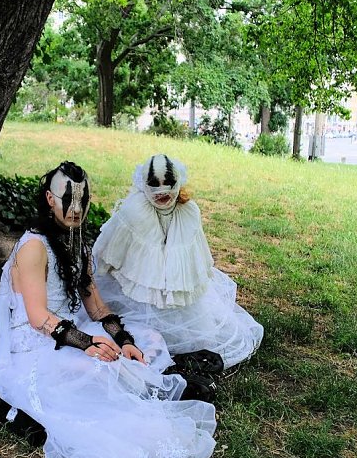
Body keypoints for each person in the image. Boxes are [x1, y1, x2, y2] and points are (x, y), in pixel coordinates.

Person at [0, 161, 216, 458]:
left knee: (147, 340)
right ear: (50, 199)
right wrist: (88, 343)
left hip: (72, 327)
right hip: (36, 344)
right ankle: (141, 390)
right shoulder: (33, 246)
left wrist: (123, 340)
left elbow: (96, 307)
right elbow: (36, 317)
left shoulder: (76, 241)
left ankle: (142, 378)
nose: (76, 209)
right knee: (98, 369)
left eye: (83, 200)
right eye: (68, 200)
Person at [93, 154, 264, 369]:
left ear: (178, 182)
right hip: (139, 289)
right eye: (154, 185)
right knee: (139, 331)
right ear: (143, 184)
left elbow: (196, 254)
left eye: (169, 184)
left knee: (197, 336)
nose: (162, 191)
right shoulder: (134, 211)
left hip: (177, 287)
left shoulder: (189, 211)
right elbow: (109, 249)